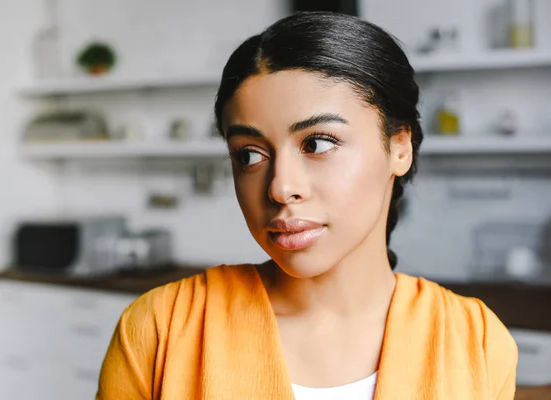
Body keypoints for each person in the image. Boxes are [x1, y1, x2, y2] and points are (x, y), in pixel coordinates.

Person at [96, 12, 517, 399]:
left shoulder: (476, 341)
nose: (280, 187)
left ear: (399, 147)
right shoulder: (159, 329)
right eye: (249, 154)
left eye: (317, 144)